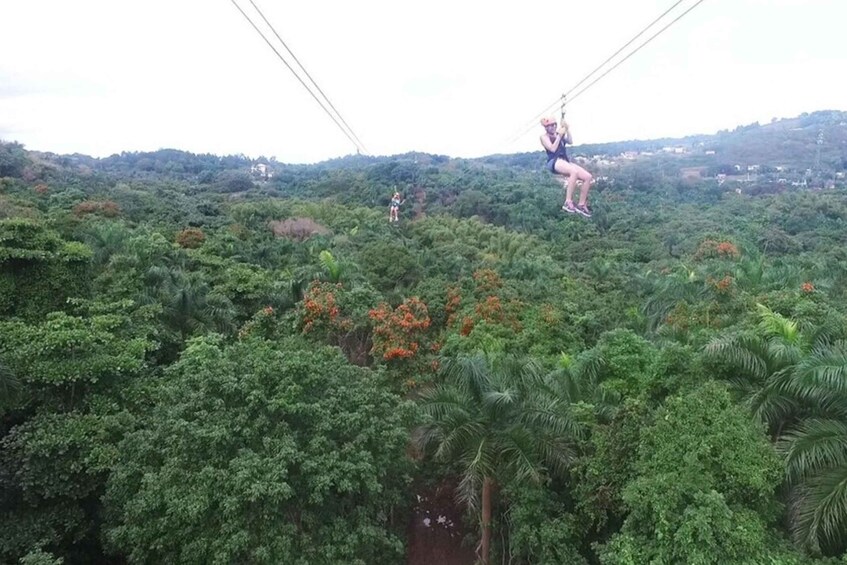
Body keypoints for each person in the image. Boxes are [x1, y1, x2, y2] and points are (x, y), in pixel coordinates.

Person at [540, 116, 593, 217]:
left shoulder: (558, 134)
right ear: (546, 128)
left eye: (554, 125)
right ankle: (568, 202)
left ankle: (581, 204)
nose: (553, 127)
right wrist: (559, 136)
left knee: (587, 177)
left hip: (564, 161)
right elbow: (552, 149)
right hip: (554, 161)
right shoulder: (544, 137)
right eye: (550, 126)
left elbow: (570, 141)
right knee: (574, 172)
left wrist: (567, 129)